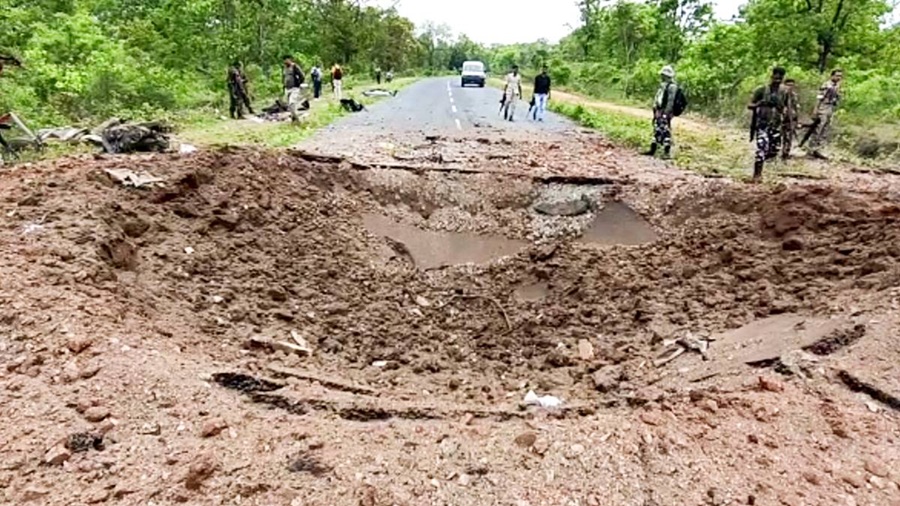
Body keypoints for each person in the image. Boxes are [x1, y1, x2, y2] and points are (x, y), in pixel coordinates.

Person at [748, 66, 788, 182]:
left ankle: (764, 165)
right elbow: (750, 105)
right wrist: (761, 104)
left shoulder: (784, 92)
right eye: (775, 78)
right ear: (771, 77)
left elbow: (787, 108)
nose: (777, 81)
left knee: (773, 150)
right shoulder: (762, 90)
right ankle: (757, 174)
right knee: (762, 148)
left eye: (779, 79)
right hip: (763, 123)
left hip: (776, 125)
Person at [804, 68, 843, 158]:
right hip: (823, 107)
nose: (839, 78)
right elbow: (819, 97)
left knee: (825, 129)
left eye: (840, 76)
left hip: (830, 108)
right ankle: (811, 149)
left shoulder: (837, 86)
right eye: (837, 75)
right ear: (832, 76)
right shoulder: (826, 85)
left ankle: (818, 149)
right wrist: (816, 109)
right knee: (818, 128)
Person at [644, 65, 678, 159]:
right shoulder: (663, 85)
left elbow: (670, 101)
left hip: (665, 111)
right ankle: (653, 149)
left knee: (665, 130)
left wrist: (665, 114)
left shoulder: (672, 87)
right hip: (659, 110)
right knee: (657, 129)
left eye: (663, 75)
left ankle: (666, 152)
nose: (661, 76)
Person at [781, 78, 800, 160]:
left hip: (790, 119)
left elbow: (796, 108)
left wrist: (796, 120)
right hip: (781, 118)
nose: (790, 87)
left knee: (789, 137)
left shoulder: (794, 95)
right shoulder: (780, 94)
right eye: (788, 85)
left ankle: (785, 153)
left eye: (792, 85)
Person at [282, 55, 305, 123]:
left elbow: (302, 76)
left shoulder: (294, 67)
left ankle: (297, 119)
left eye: (287, 59)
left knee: (292, 103)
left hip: (294, 88)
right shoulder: (284, 68)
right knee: (289, 105)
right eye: (284, 60)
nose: (285, 61)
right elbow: (284, 77)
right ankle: (293, 118)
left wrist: (298, 83)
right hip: (287, 88)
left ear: (290, 60)